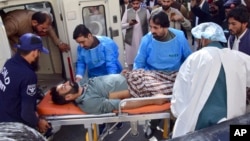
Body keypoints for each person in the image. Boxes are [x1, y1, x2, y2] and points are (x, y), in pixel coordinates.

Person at [171, 21, 250, 138]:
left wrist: (179, 116)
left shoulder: (195, 58)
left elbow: (180, 95)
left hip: (200, 126)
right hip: (233, 127)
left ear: (204, 39)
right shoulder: (240, 58)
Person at [133, 11, 192, 140]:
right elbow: (139, 63)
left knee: (178, 101)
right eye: (151, 27)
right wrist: (137, 80)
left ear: (165, 26)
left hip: (174, 76)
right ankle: (152, 124)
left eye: (156, 27)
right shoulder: (147, 40)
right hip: (153, 76)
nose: (152, 30)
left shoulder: (180, 37)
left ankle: (174, 127)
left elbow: (188, 60)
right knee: (157, 101)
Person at [0, 33, 51, 133]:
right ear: (35, 52)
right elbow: (26, 113)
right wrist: (38, 122)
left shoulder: (8, 63)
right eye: (40, 52)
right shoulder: (28, 75)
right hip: (15, 125)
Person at [50, 73, 169, 114]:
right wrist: (154, 100)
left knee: (178, 74)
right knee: (180, 86)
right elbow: (123, 104)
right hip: (140, 86)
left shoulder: (83, 85)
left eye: (64, 83)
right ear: (69, 97)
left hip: (135, 75)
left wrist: (121, 75)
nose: (67, 83)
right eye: (64, 87)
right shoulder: (88, 102)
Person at [3, 10, 70, 53]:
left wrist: (59, 43)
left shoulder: (40, 19)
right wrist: (17, 41)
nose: (45, 31)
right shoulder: (13, 24)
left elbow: (49, 28)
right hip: (8, 35)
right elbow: (2, 38)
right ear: (34, 23)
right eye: (43, 28)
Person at [121, 0, 150, 70]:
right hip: (130, 40)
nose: (135, 6)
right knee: (131, 60)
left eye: (137, 3)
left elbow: (150, 25)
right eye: (133, 4)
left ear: (140, 3)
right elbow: (121, 25)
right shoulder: (127, 11)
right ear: (131, 3)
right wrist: (129, 24)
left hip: (142, 39)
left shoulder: (146, 11)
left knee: (142, 59)